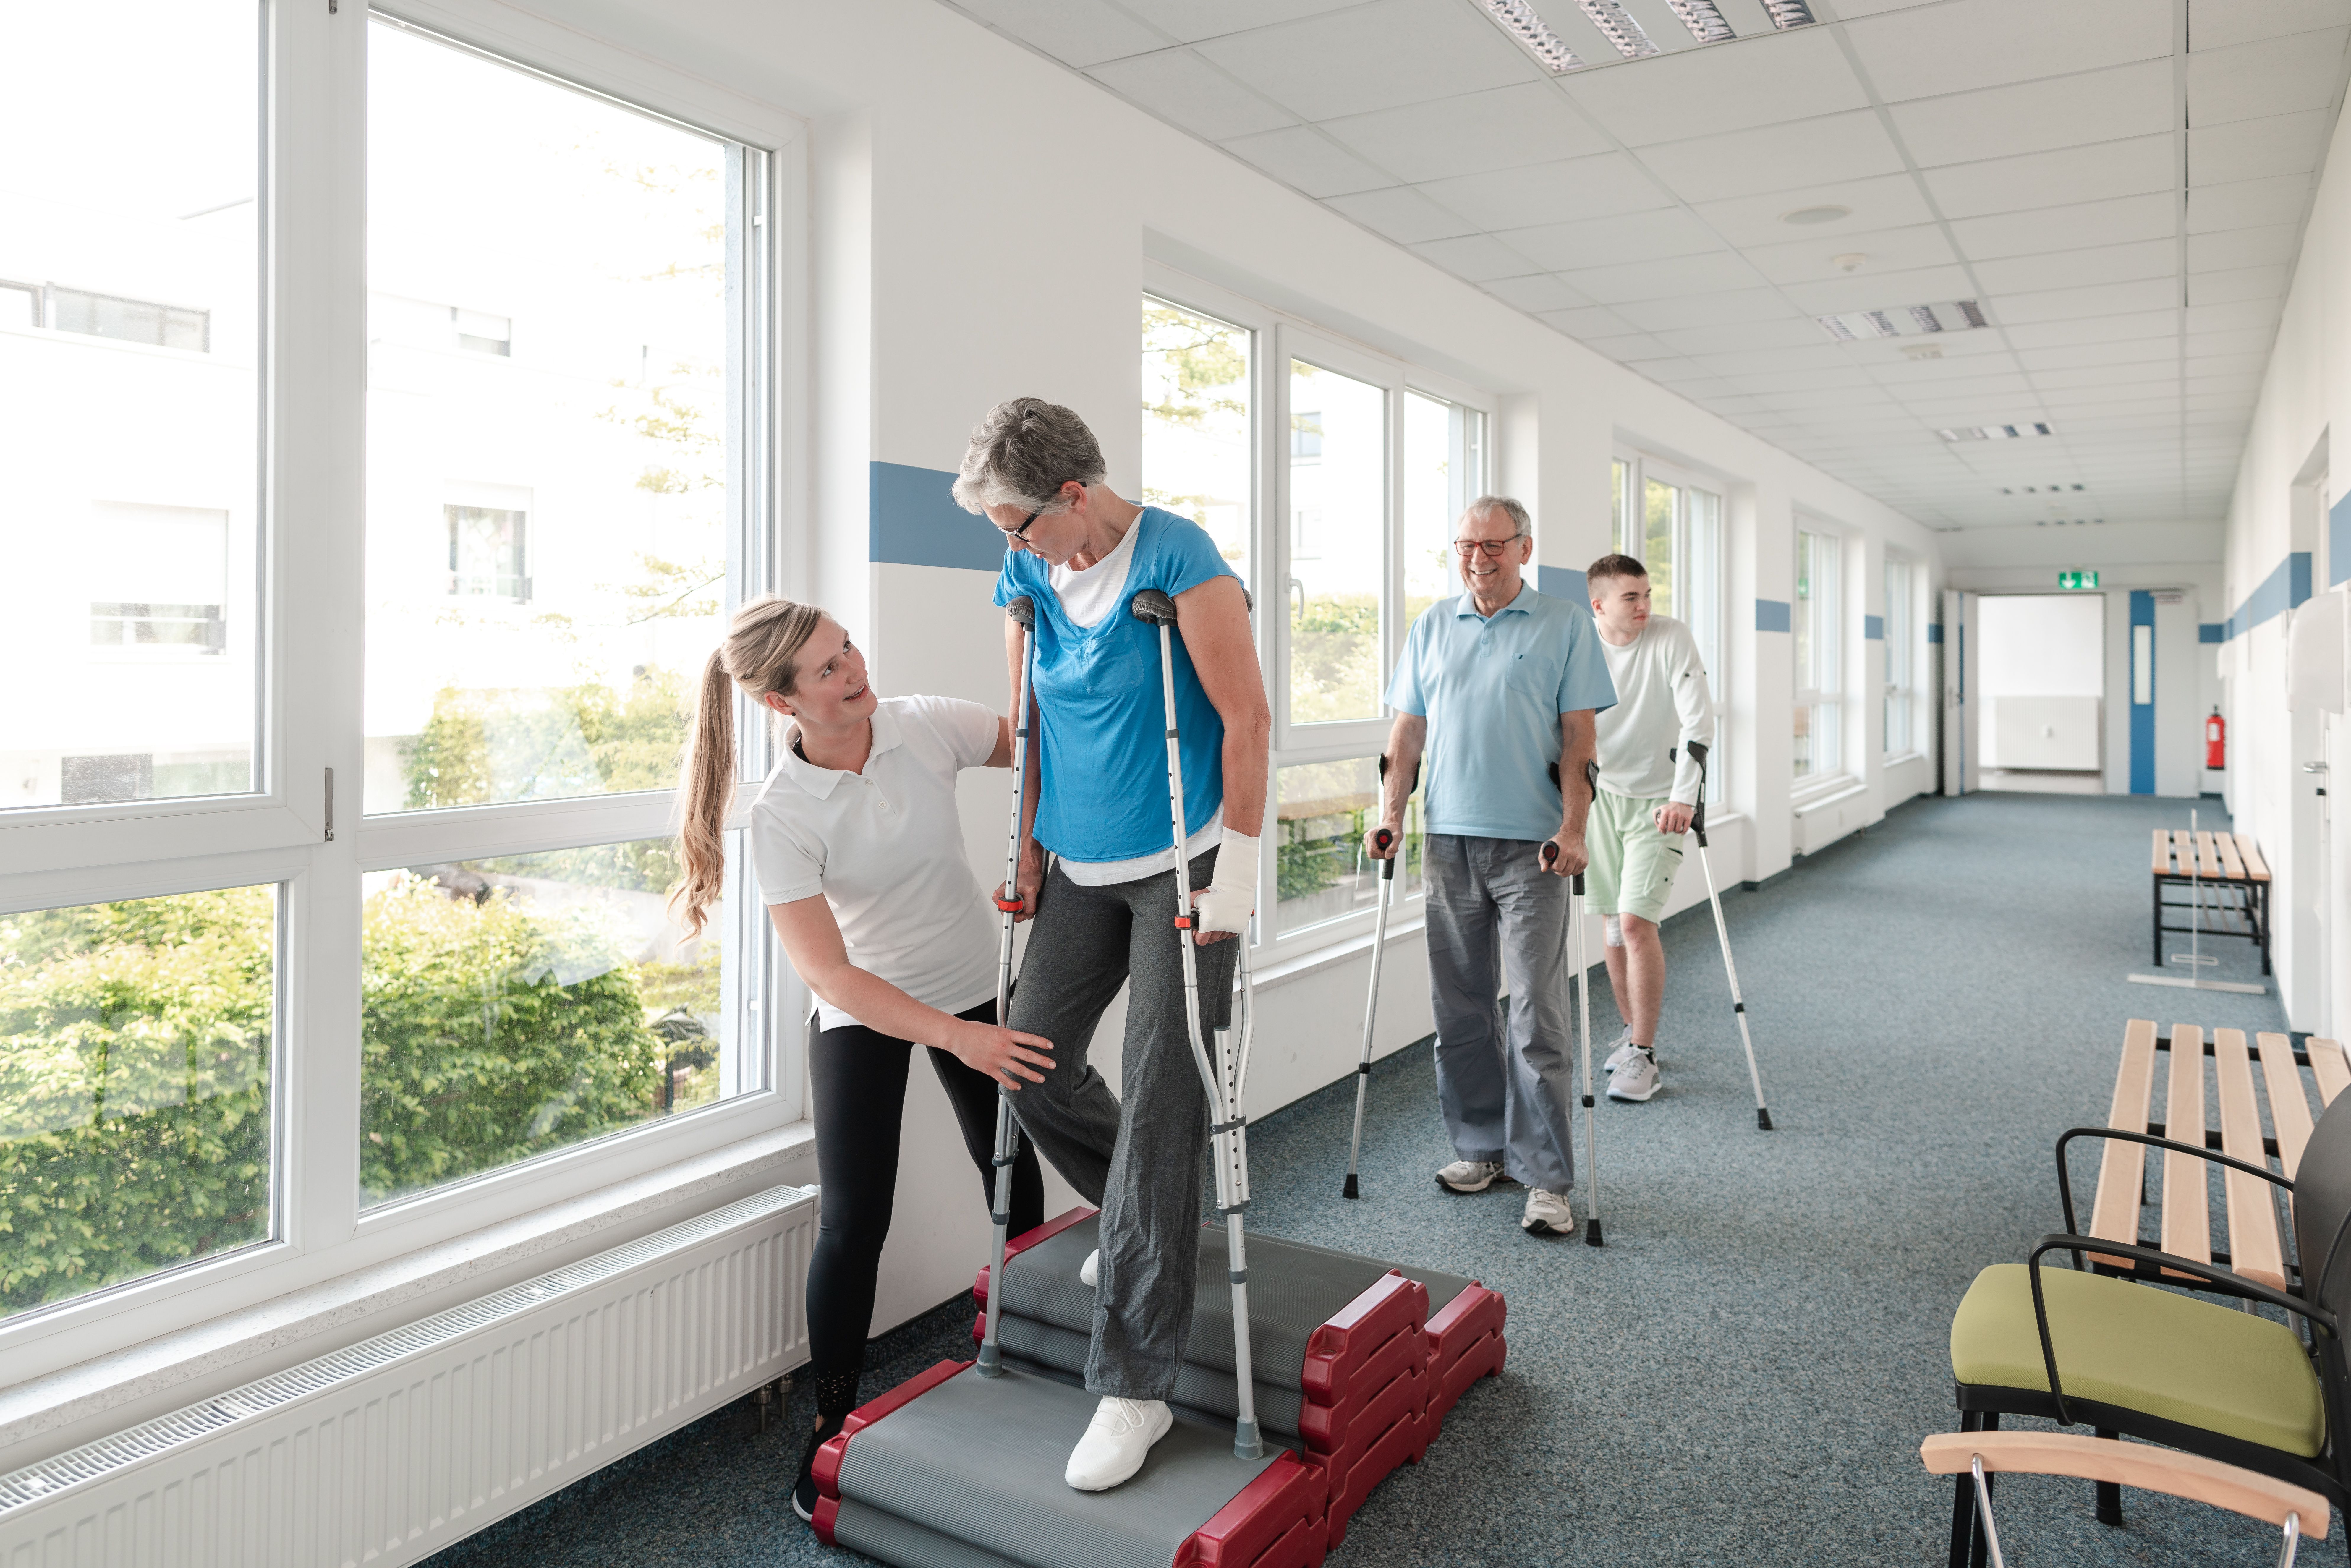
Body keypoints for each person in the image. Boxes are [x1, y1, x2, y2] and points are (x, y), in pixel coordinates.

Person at [673, 594, 1060, 1525]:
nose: (855, 671)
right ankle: (831, 1418)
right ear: (783, 705)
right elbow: (831, 974)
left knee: (1010, 1171)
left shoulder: (922, 726)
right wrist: (956, 1034)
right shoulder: (782, 816)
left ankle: (1035, 1354)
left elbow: (1043, 747)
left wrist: (1035, 851)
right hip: (868, 1007)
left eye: (848, 649)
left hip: (973, 976)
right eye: (829, 669)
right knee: (853, 1220)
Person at [952, 396, 1270, 1493]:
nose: (1011, 545)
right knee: (1027, 1060)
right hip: (1077, 861)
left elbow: (1248, 720)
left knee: (1164, 1087)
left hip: (1184, 857)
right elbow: (1027, 719)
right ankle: (1149, 1212)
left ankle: (1133, 1383)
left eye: (1018, 524)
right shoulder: (1029, 577)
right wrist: (1030, 853)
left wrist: (1238, 869)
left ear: (1074, 496)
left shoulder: (1181, 560)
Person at [1364, 497, 1615, 1239]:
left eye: (1493, 544)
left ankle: (1545, 1176)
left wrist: (1574, 829)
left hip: (1532, 847)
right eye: (1466, 543)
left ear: (1524, 548)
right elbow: (1406, 732)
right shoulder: (1433, 625)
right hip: (1448, 843)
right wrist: (1390, 814)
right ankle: (1481, 1148)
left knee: (1537, 1016)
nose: (1478, 556)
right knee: (1461, 1011)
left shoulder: (1565, 625)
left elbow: (1579, 745)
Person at [1583, 553, 1714, 1104]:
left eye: (1648, 595)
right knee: (1613, 925)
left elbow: (1699, 720)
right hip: (1601, 798)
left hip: (1661, 800)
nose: (1644, 606)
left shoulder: (1670, 637)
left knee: (1637, 923)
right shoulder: (1580, 642)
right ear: (1599, 605)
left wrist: (1685, 796)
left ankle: (1645, 1053)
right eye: (1631, 597)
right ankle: (1632, 1033)